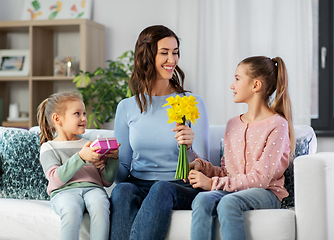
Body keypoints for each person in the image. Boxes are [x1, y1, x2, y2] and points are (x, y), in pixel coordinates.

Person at [110, 25, 210, 240]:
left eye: (175, 52)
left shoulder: (192, 103)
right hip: (139, 183)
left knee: (161, 188)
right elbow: (122, 174)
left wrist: (190, 148)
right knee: (122, 191)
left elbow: (205, 167)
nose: (171, 60)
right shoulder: (126, 107)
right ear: (147, 56)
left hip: (179, 186)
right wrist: (107, 161)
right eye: (164, 52)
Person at [189, 56, 295, 240]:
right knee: (202, 199)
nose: (232, 85)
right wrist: (203, 168)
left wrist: (212, 184)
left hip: (266, 192)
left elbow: (261, 179)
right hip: (234, 189)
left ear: (256, 85)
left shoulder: (278, 125)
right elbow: (228, 174)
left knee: (228, 203)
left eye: (237, 79)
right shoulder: (232, 125)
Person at [37, 92, 119, 240]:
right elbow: (55, 178)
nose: (83, 118)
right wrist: (80, 157)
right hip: (63, 192)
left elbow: (106, 181)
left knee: (101, 205)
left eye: (84, 113)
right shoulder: (49, 147)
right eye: (77, 113)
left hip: (93, 189)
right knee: (71, 209)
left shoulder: (90, 144)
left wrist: (113, 159)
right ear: (57, 119)